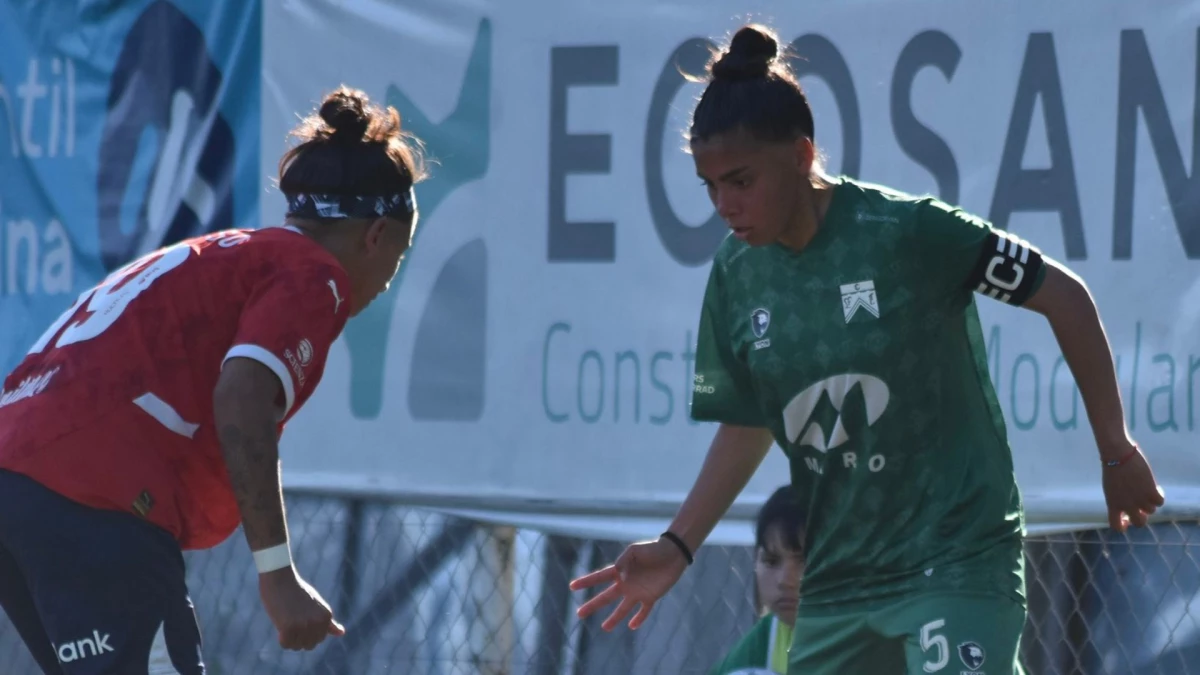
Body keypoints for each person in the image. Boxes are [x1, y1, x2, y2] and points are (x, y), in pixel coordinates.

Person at [569, 23, 1165, 675]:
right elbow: (749, 421)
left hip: (956, 557)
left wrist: (1115, 449)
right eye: (709, 187)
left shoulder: (907, 232)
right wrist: (680, 545)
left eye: (740, 180)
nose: (724, 205)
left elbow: (1066, 297)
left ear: (801, 156)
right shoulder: (737, 273)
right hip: (840, 582)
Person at [0, 85, 426, 674]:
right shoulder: (313, 275)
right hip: (91, 494)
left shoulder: (229, 254)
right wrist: (278, 575)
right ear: (375, 236)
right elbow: (244, 397)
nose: (383, 283)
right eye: (397, 259)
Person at [709, 485, 806, 675]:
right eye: (771, 561)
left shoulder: (870, 638)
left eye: (804, 561)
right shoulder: (768, 637)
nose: (785, 580)